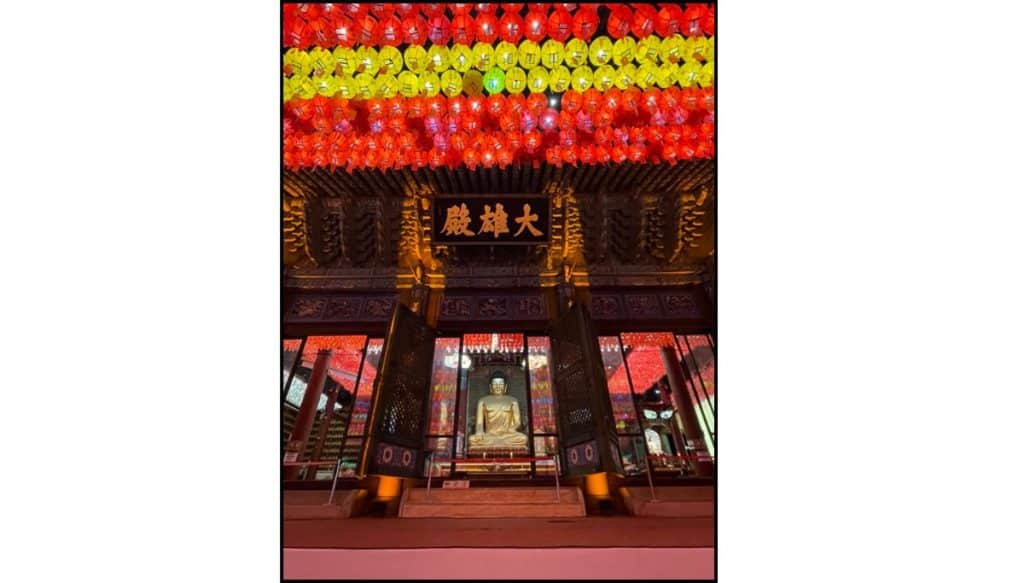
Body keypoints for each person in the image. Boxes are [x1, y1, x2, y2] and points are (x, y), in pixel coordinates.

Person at [468, 371, 528, 450]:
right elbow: (479, 423)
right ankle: (499, 442)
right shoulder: (483, 401)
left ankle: (497, 442)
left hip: (507, 435)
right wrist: (479, 432)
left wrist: (510, 430)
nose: (498, 386)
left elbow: (517, 422)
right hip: (489, 435)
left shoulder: (512, 401)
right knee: (472, 439)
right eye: (495, 384)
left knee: (523, 438)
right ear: (490, 386)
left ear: (505, 386)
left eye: (501, 384)